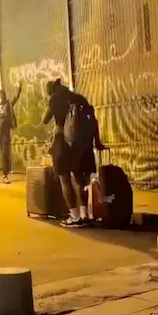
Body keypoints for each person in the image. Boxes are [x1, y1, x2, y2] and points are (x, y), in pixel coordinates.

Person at [42, 79, 105, 228]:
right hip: (81, 145)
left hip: (62, 143)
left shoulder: (55, 100)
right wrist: (97, 141)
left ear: (51, 90)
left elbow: (45, 120)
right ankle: (85, 215)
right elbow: (93, 120)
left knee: (65, 179)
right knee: (79, 179)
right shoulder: (79, 98)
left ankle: (74, 216)